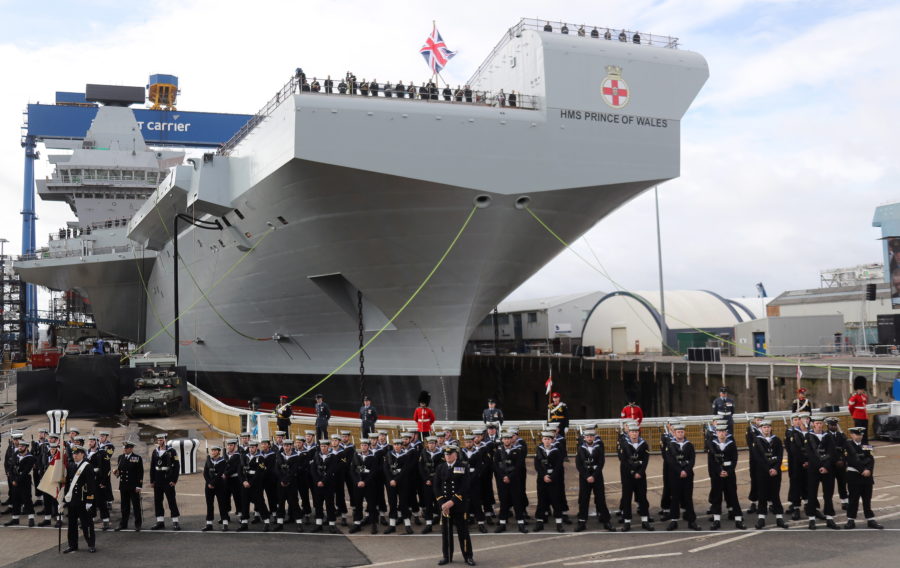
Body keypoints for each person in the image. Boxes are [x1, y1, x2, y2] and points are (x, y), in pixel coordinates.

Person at [435, 445, 475, 566]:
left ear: (456, 455)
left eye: (450, 454)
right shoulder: (440, 467)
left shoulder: (462, 467)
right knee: (446, 533)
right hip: (445, 507)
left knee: (463, 533)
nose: (448, 456)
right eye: (446, 454)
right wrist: (442, 503)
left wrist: (452, 501)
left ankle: (468, 556)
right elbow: (436, 487)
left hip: (458, 505)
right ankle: (447, 556)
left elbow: (465, 486)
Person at [843, 426, 883, 529]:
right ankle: (851, 520)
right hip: (854, 477)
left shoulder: (867, 446)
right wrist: (862, 470)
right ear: (852, 435)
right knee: (853, 499)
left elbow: (871, 459)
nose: (859, 436)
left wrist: (869, 470)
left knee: (867, 499)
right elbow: (851, 461)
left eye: (861, 434)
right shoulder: (848, 446)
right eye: (857, 434)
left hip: (867, 478)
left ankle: (870, 519)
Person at [751, 420, 788, 529]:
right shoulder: (757, 441)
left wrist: (776, 468)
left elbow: (780, 456)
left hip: (775, 472)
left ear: (771, 428)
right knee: (762, 495)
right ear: (761, 429)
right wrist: (768, 469)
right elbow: (758, 458)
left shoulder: (776, 440)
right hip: (763, 472)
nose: (766, 429)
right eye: (764, 427)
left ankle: (779, 518)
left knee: (775, 495)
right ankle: (761, 518)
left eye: (768, 427)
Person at [663, 424, 701, 531]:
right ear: (674, 433)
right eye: (678, 432)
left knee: (688, 498)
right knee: (675, 498)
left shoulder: (689, 445)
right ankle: (674, 521)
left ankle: (691, 521)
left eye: (682, 432)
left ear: (684, 433)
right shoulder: (670, 445)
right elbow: (670, 461)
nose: (680, 433)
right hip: (675, 475)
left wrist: (686, 470)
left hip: (687, 475)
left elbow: (692, 460)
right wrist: (680, 471)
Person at [805, 416, 840, 529]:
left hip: (827, 469)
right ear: (813, 425)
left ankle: (829, 518)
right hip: (814, 470)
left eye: (820, 423)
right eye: (817, 423)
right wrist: (819, 466)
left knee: (828, 495)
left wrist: (825, 466)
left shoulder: (828, 436)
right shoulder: (808, 436)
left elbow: (832, 452)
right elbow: (810, 454)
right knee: (812, 494)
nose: (819, 425)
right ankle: (811, 519)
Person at [575, 429, 612, 532]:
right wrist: (587, 476)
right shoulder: (580, 448)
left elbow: (601, 463)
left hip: (597, 476)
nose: (589, 438)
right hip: (585, 477)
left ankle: (606, 521)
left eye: (591, 436)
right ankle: (582, 521)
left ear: (594, 437)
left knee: (600, 499)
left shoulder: (599, 448)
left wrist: (594, 476)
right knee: (584, 500)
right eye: (587, 436)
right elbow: (579, 465)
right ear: (585, 438)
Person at [708, 424, 744, 530]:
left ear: (726, 432)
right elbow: (712, 462)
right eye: (719, 431)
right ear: (716, 433)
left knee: (733, 496)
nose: (722, 433)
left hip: (729, 474)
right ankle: (716, 520)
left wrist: (728, 471)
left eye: (723, 431)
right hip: (717, 475)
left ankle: (738, 520)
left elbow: (734, 459)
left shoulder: (731, 444)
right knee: (717, 497)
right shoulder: (713, 444)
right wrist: (719, 471)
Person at [617, 423, 652, 531]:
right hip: (628, 475)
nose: (634, 434)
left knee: (642, 497)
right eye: (632, 432)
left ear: (638, 433)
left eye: (636, 432)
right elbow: (624, 460)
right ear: (629, 433)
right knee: (627, 498)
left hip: (640, 476)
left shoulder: (644, 444)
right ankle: (627, 521)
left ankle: (645, 520)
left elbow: (645, 460)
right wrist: (633, 472)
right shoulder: (624, 444)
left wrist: (640, 472)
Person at [62, 445, 96, 553]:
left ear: (82, 454)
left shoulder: (87, 466)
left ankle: (91, 544)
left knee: (86, 524)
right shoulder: (71, 466)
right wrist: (64, 499)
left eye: (77, 454)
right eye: (73, 453)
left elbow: (91, 485)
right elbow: (67, 484)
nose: (75, 455)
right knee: (72, 525)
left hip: (83, 500)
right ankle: (72, 545)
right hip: (72, 501)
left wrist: (89, 500)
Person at [149, 433, 181, 530]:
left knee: (171, 500)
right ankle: (160, 521)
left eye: (161, 439)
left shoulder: (172, 451)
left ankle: (175, 521)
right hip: (158, 479)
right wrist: (152, 480)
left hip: (168, 479)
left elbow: (176, 466)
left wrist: (174, 480)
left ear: (165, 440)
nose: (160, 441)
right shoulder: (155, 451)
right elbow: (152, 467)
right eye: (158, 440)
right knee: (158, 501)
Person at [349, 438, 381, 534]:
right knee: (358, 504)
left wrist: (365, 482)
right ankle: (357, 524)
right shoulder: (356, 456)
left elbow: (373, 472)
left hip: (369, 485)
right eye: (362, 445)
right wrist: (357, 481)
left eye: (365, 445)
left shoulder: (373, 457)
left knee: (371, 505)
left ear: (368, 446)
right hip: (358, 485)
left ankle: (373, 524)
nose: (363, 447)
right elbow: (352, 470)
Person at [238, 440, 270, 531]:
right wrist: (243, 481)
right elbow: (239, 471)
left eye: (253, 447)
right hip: (245, 484)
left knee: (259, 502)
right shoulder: (244, 457)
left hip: (255, 484)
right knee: (244, 502)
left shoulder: (261, 458)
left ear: (256, 447)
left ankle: (266, 521)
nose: (251, 449)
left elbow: (259, 473)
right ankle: (244, 522)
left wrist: (250, 483)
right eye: (250, 447)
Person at [383, 438, 413, 533]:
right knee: (392, 503)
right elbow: (386, 468)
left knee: (403, 503)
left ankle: (407, 525)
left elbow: (405, 470)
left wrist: (396, 479)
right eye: (395, 444)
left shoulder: (405, 456)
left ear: (401, 446)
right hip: (391, 483)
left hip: (402, 482)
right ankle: (392, 524)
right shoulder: (388, 454)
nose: (396, 446)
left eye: (398, 445)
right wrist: (391, 480)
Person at [3, 439, 35, 527]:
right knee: (15, 499)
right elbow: (11, 468)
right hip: (15, 481)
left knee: (27, 499)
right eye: (20, 446)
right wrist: (12, 479)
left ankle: (31, 518)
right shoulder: (15, 455)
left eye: (22, 446)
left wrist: (16, 480)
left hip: (24, 481)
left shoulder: (30, 458)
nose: (20, 447)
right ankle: (15, 518)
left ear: (26, 447)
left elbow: (25, 471)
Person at [113, 440, 143, 531]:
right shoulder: (121, 457)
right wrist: (116, 473)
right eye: (124, 448)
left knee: (136, 505)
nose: (125, 450)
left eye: (127, 448)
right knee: (124, 506)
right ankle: (123, 523)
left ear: (131, 448)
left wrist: (139, 485)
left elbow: (140, 473)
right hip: (123, 486)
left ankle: (138, 524)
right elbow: (119, 473)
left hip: (133, 486)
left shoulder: (137, 458)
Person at [274, 439, 303, 531]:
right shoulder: (279, 455)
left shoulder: (296, 457)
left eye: (287, 445)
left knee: (294, 503)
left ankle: (299, 523)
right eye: (284, 445)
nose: (285, 447)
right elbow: (277, 469)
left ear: (291, 446)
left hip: (292, 483)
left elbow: (294, 470)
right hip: (281, 484)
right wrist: (282, 480)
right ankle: (279, 523)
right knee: (280, 503)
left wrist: (287, 480)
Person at [202, 445, 231, 532]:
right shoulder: (208, 460)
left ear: (219, 452)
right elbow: (205, 473)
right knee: (209, 504)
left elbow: (220, 474)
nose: (213, 452)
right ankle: (209, 523)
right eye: (212, 450)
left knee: (222, 504)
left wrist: (213, 483)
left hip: (220, 485)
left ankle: (225, 523)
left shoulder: (223, 461)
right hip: (209, 485)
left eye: (215, 450)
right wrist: (209, 483)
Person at [418, 436, 443, 534]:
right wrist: (426, 479)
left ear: (436, 444)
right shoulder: (424, 453)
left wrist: (433, 480)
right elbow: (420, 467)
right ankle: (428, 524)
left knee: (439, 502)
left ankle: (442, 523)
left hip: (437, 482)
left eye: (433, 443)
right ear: (427, 444)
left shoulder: (441, 454)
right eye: (429, 443)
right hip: (427, 483)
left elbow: (441, 468)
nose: (431, 445)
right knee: (428, 503)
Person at [849, 376, 869, 444]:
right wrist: (854, 415)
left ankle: (866, 448)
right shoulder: (854, 397)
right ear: (857, 389)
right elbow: (850, 407)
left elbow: (864, 407)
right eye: (860, 389)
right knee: (859, 433)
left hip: (864, 417)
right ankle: (859, 448)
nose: (861, 390)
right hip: (857, 417)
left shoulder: (864, 396)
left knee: (865, 433)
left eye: (862, 389)